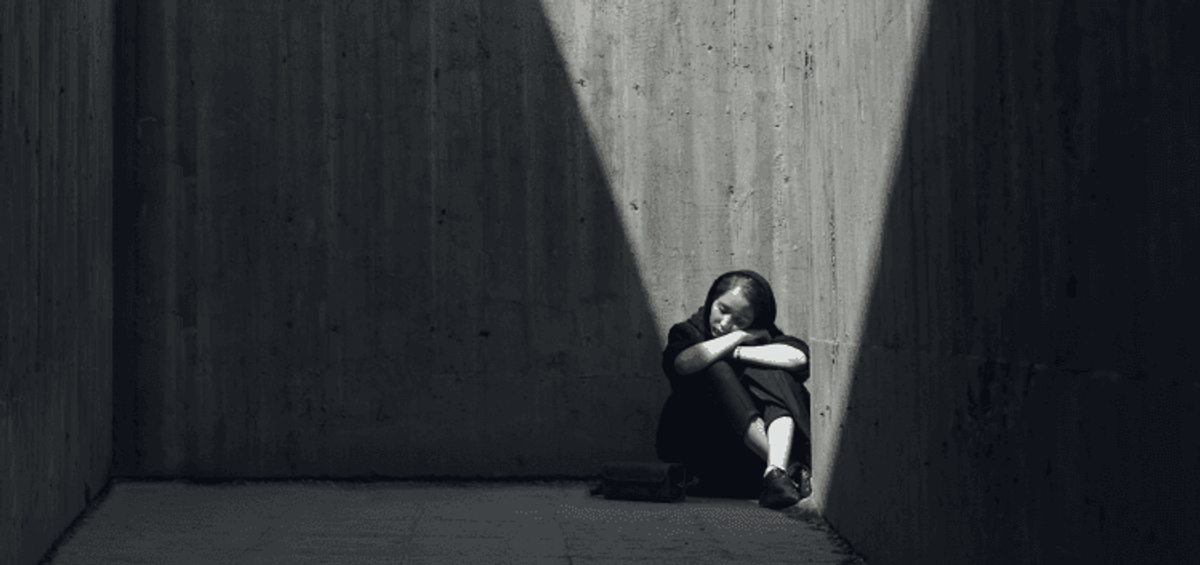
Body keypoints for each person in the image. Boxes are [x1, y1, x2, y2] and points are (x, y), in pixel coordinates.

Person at [655, 270, 812, 509]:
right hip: (702, 451)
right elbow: (682, 363)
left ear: (755, 320)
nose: (725, 324)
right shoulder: (687, 332)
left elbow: (798, 358)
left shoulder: (765, 335)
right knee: (715, 366)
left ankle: (775, 471)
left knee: (775, 371)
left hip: (750, 465)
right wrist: (737, 337)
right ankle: (787, 470)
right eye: (723, 310)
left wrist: (740, 351)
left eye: (740, 320)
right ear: (711, 301)